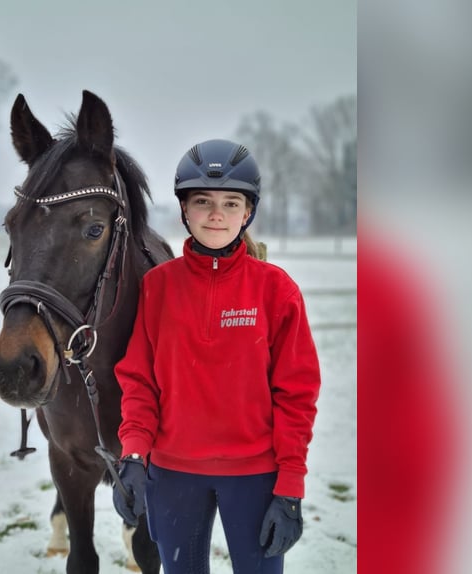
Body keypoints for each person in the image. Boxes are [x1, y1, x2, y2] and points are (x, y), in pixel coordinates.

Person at [112, 139, 321, 573]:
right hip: (172, 476)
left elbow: (296, 395)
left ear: (248, 213)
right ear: (184, 209)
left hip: (255, 477)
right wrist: (133, 454)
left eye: (231, 202)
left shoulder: (276, 290)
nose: (216, 214)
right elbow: (139, 382)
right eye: (202, 201)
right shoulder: (157, 288)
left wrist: (290, 487)